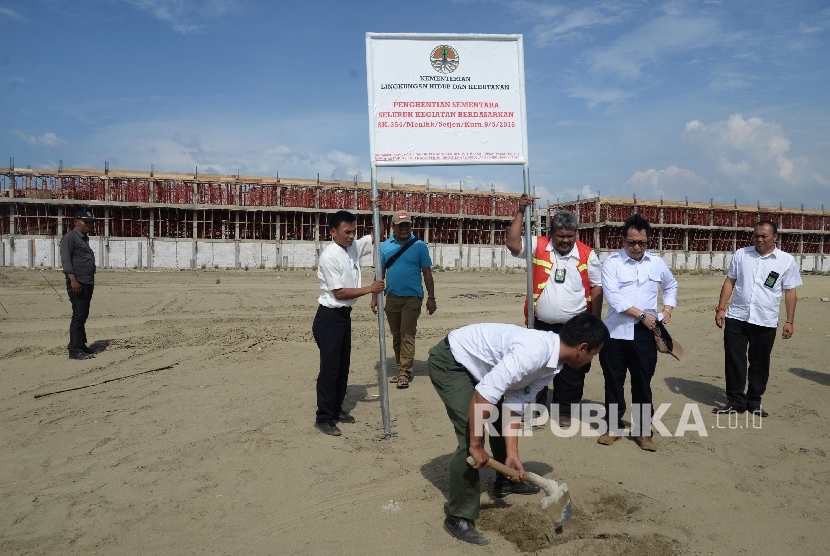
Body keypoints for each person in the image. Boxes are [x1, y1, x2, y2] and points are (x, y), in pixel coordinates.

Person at [428, 313, 609, 545]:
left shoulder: (554, 365)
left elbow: (514, 404)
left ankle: (504, 480)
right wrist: (475, 445)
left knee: (498, 422)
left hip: (482, 371)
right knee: (470, 433)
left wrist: (512, 455)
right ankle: (458, 515)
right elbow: (483, 395)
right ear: (582, 348)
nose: (592, 359)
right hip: (453, 361)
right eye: (594, 353)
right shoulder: (533, 353)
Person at [506, 194, 603, 427]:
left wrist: (595, 321)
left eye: (570, 236)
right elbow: (512, 243)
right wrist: (520, 211)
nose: (565, 241)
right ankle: (536, 408)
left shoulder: (587, 254)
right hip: (541, 324)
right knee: (538, 367)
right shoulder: (539, 245)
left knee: (572, 370)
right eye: (561, 236)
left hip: (575, 324)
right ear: (552, 234)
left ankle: (564, 410)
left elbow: (597, 287)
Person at [598, 214, 677, 452]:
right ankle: (613, 427)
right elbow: (614, 298)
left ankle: (643, 431)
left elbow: (671, 285)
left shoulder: (657, 263)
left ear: (647, 241)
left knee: (642, 382)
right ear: (623, 240)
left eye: (641, 242)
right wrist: (643, 315)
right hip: (614, 333)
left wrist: (667, 309)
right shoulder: (612, 263)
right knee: (613, 381)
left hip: (644, 335)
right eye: (631, 242)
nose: (636, 247)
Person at [713, 221, 801, 417]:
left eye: (764, 236)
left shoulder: (786, 261)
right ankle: (735, 401)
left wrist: (789, 321)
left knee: (760, 362)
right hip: (737, 316)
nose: (759, 239)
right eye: (756, 236)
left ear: (775, 237)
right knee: (734, 361)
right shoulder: (741, 255)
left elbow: (790, 291)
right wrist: (721, 308)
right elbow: (730, 281)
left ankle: (754, 401)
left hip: (765, 319)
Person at [313, 210, 384, 437]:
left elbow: (378, 234)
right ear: (333, 232)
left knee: (343, 368)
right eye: (347, 232)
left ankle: (336, 410)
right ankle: (323, 417)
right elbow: (340, 292)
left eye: (354, 231)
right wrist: (370, 289)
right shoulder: (329, 256)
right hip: (329, 318)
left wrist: (377, 210)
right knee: (330, 371)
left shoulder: (351, 247)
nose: (351, 236)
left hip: (344, 317)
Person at [370, 210, 436, 389]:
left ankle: (404, 372)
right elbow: (379, 274)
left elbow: (427, 273)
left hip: (412, 298)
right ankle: (402, 367)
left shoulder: (419, 246)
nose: (404, 228)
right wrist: (374, 297)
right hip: (391, 297)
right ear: (393, 227)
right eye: (400, 225)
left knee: (407, 334)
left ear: (411, 226)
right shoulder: (385, 247)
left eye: (407, 225)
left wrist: (431, 297)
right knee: (397, 335)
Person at [60, 210, 97, 360]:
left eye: (90, 222)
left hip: (87, 281)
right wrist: (73, 280)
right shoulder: (70, 237)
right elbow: (66, 260)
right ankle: (74, 349)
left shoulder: (83, 238)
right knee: (78, 316)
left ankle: (81, 345)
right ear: (75, 222)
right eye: (85, 222)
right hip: (78, 282)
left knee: (83, 315)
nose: (89, 225)